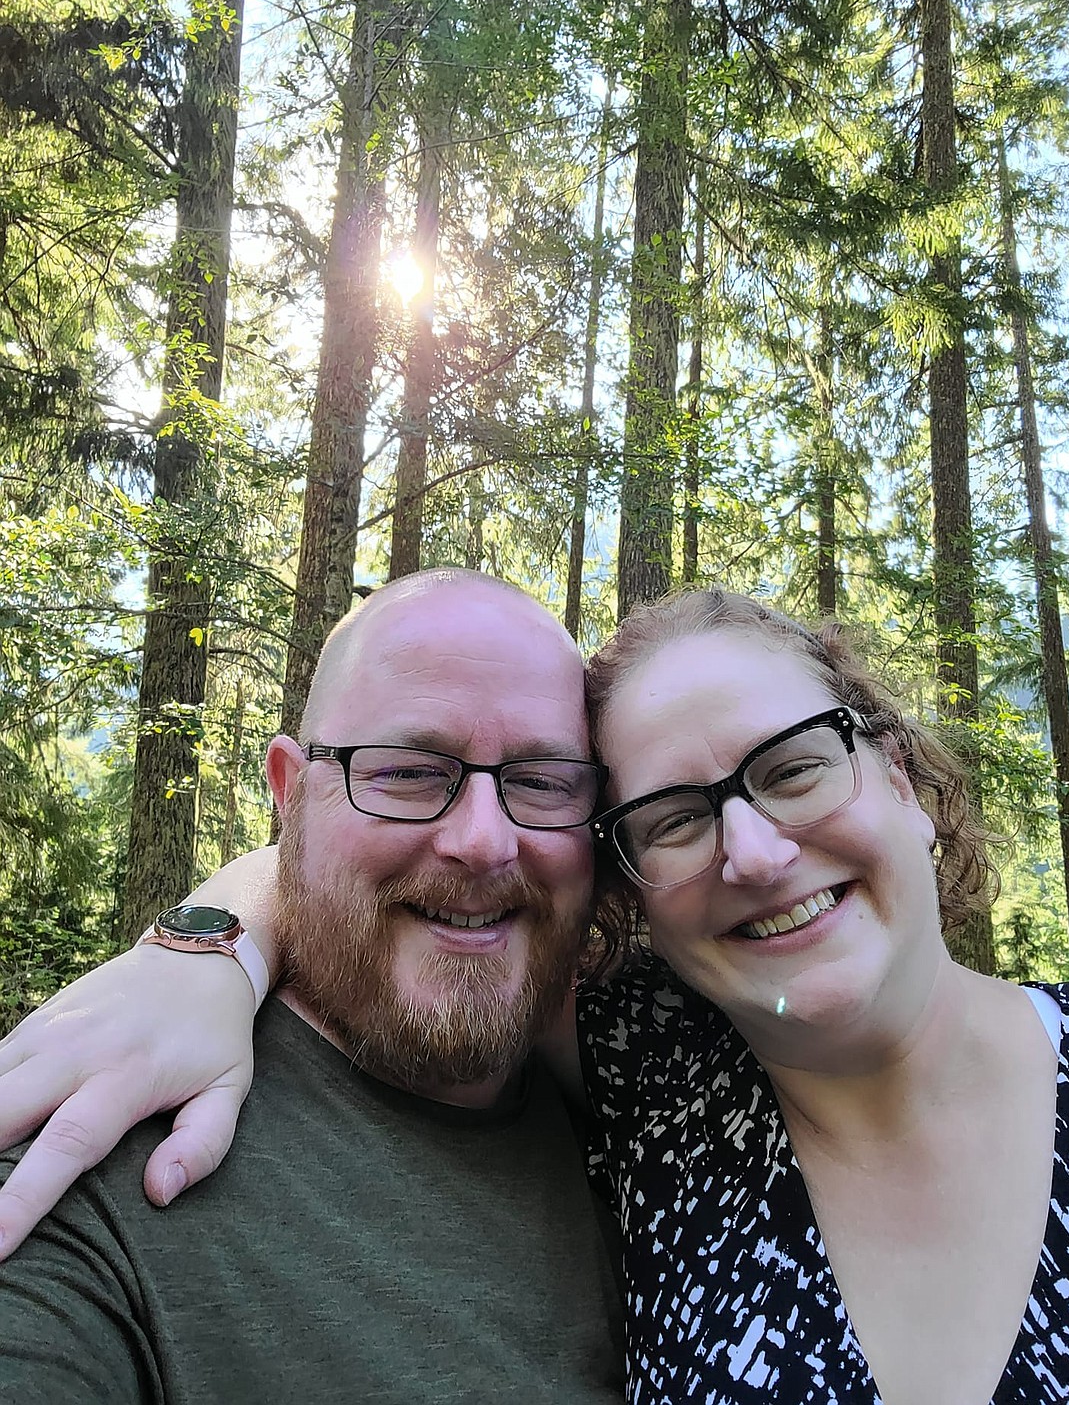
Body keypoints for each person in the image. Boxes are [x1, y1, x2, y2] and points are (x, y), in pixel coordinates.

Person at [3, 583, 1069, 1403]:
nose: (754, 854)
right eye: (673, 819)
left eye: (796, 765)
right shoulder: (657, 1088)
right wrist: (204, 954)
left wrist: (200, 944)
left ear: (902, 781)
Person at [0, 570, 623, 1402]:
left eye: (543, 782)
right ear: (292, 795)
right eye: (408, 771)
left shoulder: (666, 1125)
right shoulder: (98, 1141)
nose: (484, 841)